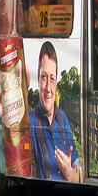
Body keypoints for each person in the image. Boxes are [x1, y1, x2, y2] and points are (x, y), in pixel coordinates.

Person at [28, 41, 82, 182]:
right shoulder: (30, 121)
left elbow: (79, 174)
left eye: (51, 78)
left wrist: (70, 173)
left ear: (56, 82)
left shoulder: (62, 118)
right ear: (38, 80)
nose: (47, 87)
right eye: (44, 77)